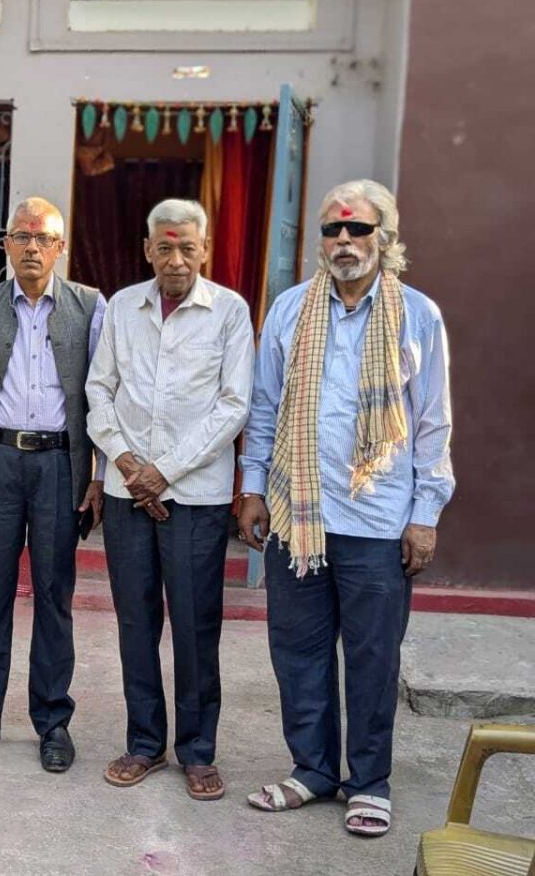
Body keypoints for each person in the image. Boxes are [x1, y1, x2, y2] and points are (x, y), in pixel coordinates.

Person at [239, 179, 454, 837]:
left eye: (358, 229)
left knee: (371, 658)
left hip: (378, 520)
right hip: (298, 517)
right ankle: (311, 770)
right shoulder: (289, 310)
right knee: (297, 652)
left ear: (383, 238)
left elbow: (433, 423)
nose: (343, 240)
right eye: (332, 229)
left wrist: (425, 513)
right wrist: (253, 486)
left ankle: (368, 783)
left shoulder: (418, 315)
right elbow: (265, 406)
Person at [85, 199, 254, 799]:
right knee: (135, 622)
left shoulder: (229, 311)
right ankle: (144, 743)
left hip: (196, 497)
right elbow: (98, 391)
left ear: (204, 249)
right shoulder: (122, 308)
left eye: (186, 247)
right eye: (164, 247)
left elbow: (233, 406)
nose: (175, 259)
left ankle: (198, 751)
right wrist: (128, 464)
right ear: (148, 250)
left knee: (195, 625)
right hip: (127, 492)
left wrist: (165, 472)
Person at [0, 197, 106, 773]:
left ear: (60, 247)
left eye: (43, 239)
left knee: (54, 595)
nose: (32, 248)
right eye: (22, 237)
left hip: (61, 466)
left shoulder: (90, 306)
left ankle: (53, 720)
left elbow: (103, 393)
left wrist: (98, 476)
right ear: (6, 245)